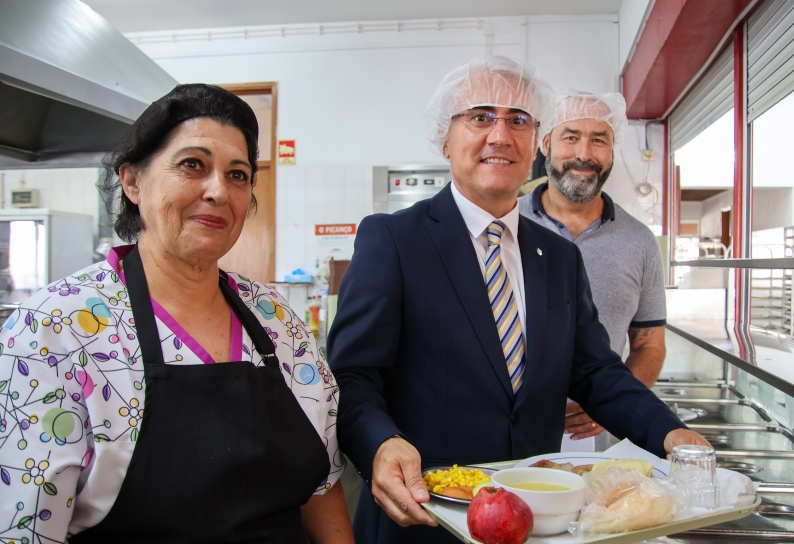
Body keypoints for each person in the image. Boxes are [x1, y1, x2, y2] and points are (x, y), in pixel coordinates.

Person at [327, 56, 711, 544]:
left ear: (535, 142)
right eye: (481, 116)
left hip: (535, 518)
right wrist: (380, 444)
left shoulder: (557, 256)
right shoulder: (395, 240)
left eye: (519, 120)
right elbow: (353, 376)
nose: (500, 135)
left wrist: (670, 434)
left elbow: (595, 371)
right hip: (426, 516)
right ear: (446, 138)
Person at [0, 84, 355, 544]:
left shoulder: (275, 318)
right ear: (132, 182)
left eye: (238, 175)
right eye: (193, 165)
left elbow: (322, 485)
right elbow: (27, 530)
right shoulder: (54, 329)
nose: (218, 191)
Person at [519, 91, 667, 452]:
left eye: (599, 140)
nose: (584, 154)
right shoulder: (506, 224)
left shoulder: (639, 241)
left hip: (600, 446)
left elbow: (650, 344)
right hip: (508, 437)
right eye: (570, 137)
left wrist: (613, 405)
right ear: (545, 144)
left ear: (612, 151)